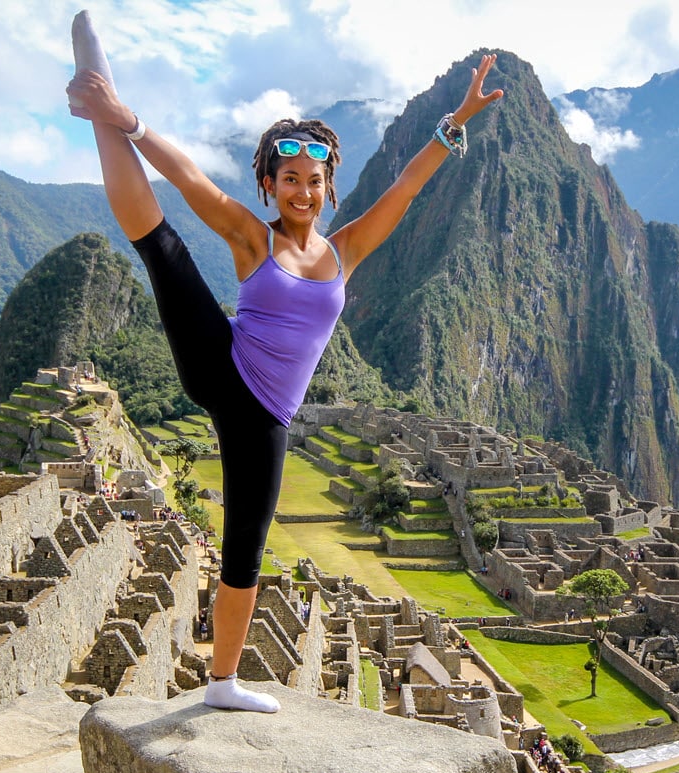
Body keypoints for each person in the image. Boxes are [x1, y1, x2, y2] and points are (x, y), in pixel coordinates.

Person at [67, 12, 502, 715]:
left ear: (330, 188)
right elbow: (189, 181)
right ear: (269, 185)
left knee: (246, 546)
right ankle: (99, 106)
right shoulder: (252, 237)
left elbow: (408, 190)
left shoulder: (347, 250)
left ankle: (222, 684)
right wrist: (126, 120)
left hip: (266, 417)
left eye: (314, 180)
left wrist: (454, 122)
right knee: (160, 244)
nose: (302, 191)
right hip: (221, 363)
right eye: (289, 178)